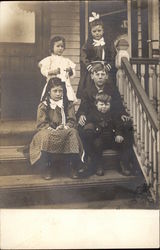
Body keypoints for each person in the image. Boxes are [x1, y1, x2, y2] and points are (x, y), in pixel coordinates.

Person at [77, 62, 134, 176]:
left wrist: (122, 113)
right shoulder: (87, 91)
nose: (100, 77)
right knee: (84, 129)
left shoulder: (112, 89)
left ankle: (124, 162)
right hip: (95, 123)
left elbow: (118, 105)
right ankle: (93, 162)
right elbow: (83, 108)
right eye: (97, 74)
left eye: (103, 74)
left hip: (110, 122)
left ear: (107, 76)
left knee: (127, 126)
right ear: (92, 76)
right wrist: (81, 114)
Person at [29, 77, 84, 180]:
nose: (58, 93)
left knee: (73, 133)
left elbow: (72, 121)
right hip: (49, 131)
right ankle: (47, 167)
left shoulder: (68, 104)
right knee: (45, 136)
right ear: (49, 92)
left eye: (60, 91)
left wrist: (65, 126)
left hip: (64, 131)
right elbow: (41, 124)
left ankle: (72, 166)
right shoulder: (44, 105)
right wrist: (52, 129)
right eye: (55, 91)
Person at [79, 92, 131, 176]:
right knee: (97, 144)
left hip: (111, 138)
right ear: (96, 104)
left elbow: (118, 124)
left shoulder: (113, 114)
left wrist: (118, 134)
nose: (104, 107)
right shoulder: (92, 114)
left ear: (110, 105)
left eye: (107, 104)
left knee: (123, 142)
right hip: (99, 138)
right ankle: (99, 165)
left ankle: (123, 164)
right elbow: (88, 126)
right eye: (101, 104)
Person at [77, 12, 116, 98]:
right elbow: (83, 56)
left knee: (107, 88)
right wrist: (88, 65)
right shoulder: (88, 44)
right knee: (91, 89)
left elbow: (113, 56)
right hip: (93, 70)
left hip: (104, 69)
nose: (97, 33)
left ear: (103, 31)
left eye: (99, 31)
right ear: (91, 32)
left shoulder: (108, 43)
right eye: (94, 31)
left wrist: (109, 65)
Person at [38, 36, 77, 103]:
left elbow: (73, 74)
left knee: (66, 101)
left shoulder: (66, 61)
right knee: (51, 102)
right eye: (58, 46)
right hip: (53, 85)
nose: (60, 48)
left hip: (65, 85)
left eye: (62, 46)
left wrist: (70, 71)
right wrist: (52, 72)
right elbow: (43, 70)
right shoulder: (49, 59)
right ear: (52, 47)